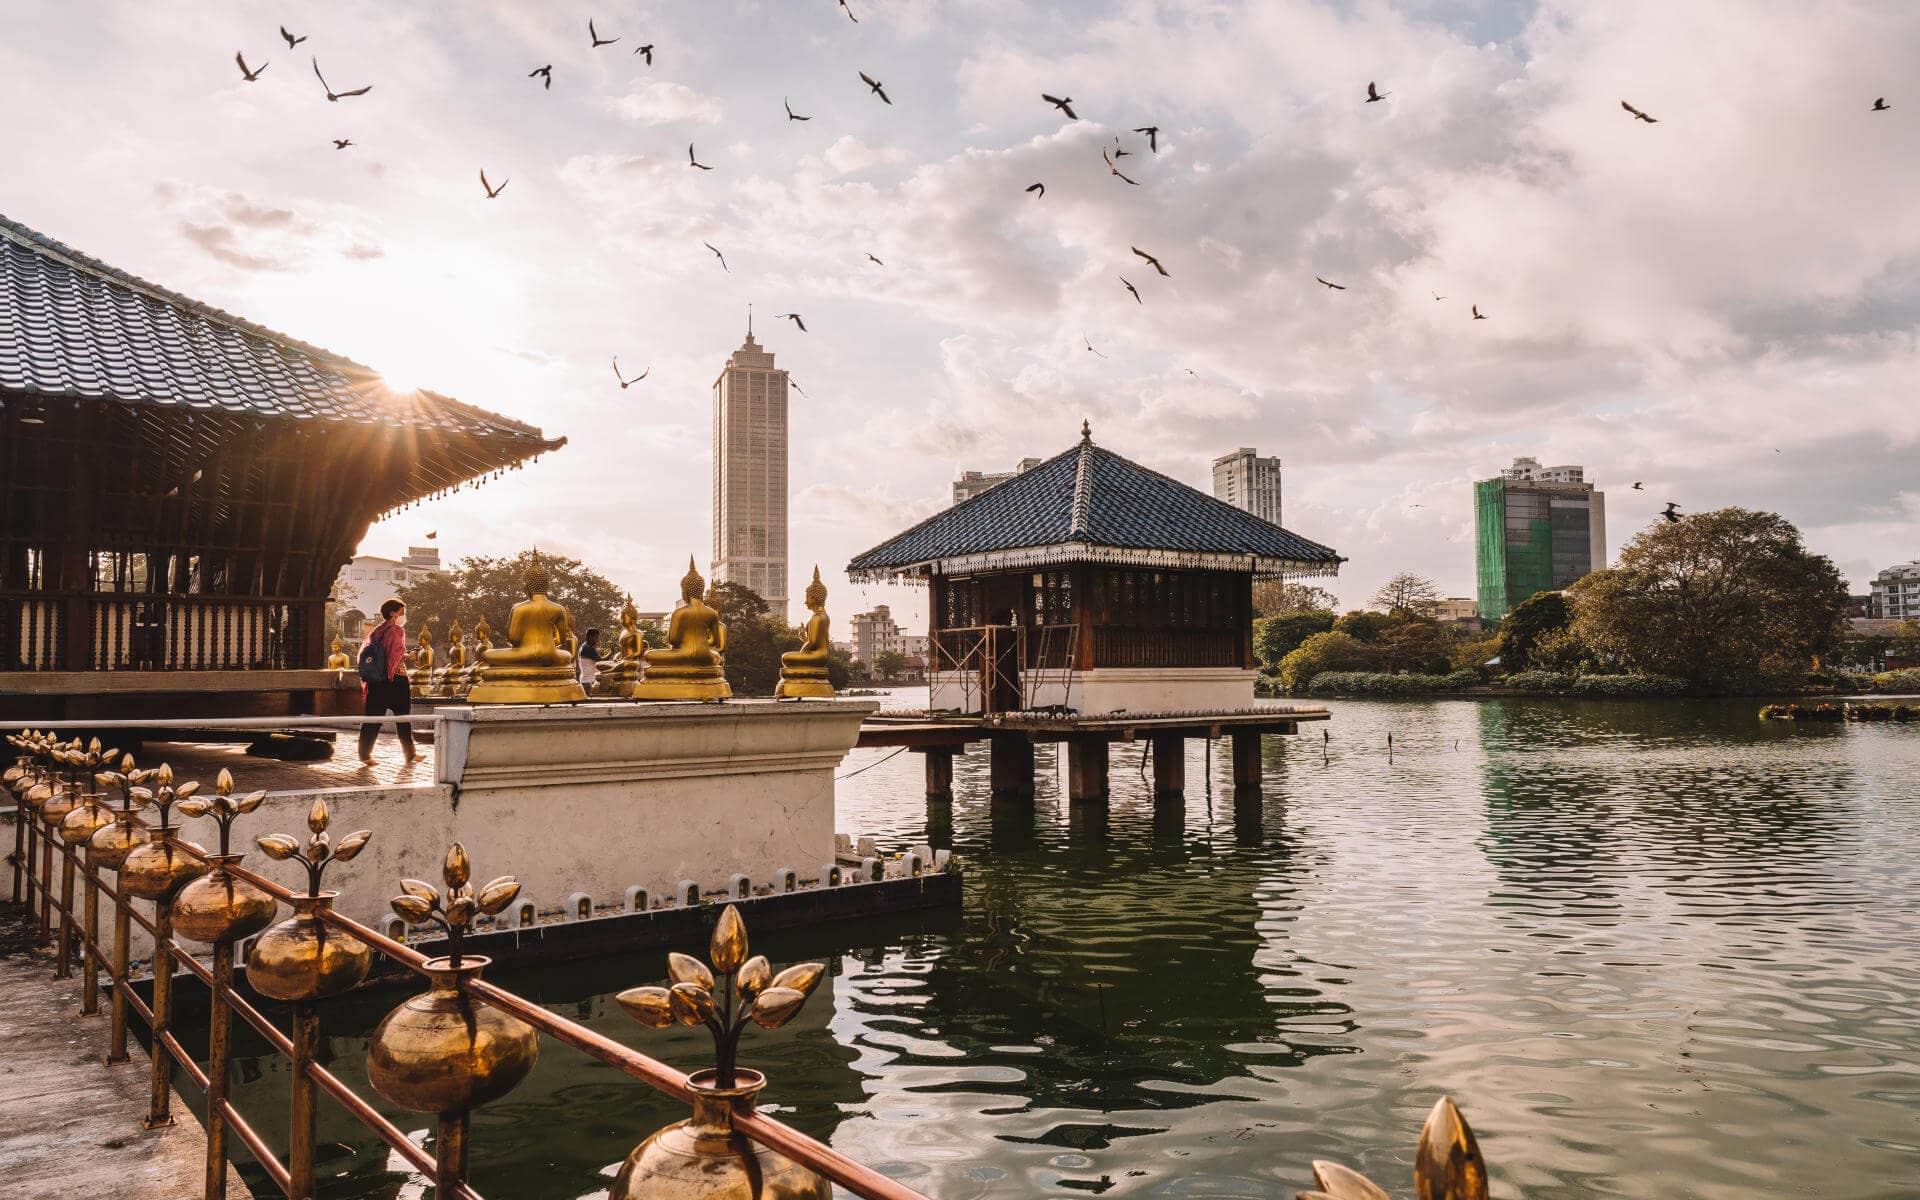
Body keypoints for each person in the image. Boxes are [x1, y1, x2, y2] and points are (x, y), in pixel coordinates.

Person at [359, 598, 419, 764]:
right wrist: (408, 655)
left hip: (376, 680)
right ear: (392, 613)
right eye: (401, 612)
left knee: (372, 718)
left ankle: (364, 755)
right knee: (403, 718)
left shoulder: (377, 630)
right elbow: (395, 656)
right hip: (395, 680)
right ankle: (410, 754)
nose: (403, 616)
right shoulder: (397, 630)